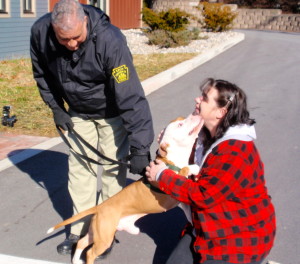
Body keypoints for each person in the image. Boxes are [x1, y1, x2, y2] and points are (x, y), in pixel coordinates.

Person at [30, 0, 154, 256]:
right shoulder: (41, 33)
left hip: (112, 113)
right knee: (80, 170)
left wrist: (140, 146)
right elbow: (41, 73)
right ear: (53, 29)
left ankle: (103, 233)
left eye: (76, 37)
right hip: (77, 111)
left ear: (85, 21)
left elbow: (130, 94)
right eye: (64, 40)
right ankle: (79, 230)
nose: (71, 44)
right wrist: (56, 108)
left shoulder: (110, 40)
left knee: (112, 171)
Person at [146, 78, 276, 264]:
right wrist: (171, 144)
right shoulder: (207, 135)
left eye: (205, 98)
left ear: (220, 112)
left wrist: (161, 175)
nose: (197, 100)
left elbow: (203, 195)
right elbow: (192, 167)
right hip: (209, 228)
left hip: (241, 238)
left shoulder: (235, 152)